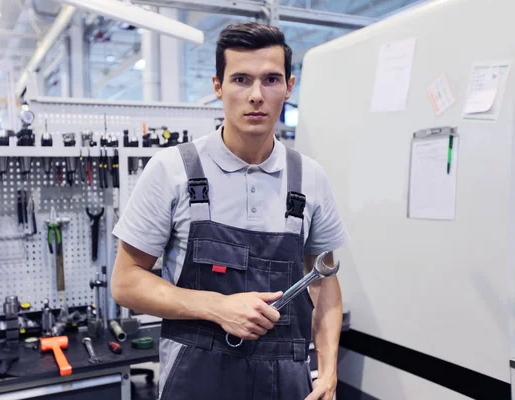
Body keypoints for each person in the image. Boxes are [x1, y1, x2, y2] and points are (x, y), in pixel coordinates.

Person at [111, 21, 348, 400]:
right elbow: (125, 282)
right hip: (197, 384)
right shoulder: (172, 170)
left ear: (289, 87)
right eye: (241, 79)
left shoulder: (310, 179)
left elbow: (324, 284)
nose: (256, 95)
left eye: (271, 80)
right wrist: (218, 307)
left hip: (287, 384)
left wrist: (329, 370)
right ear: (218, 86)